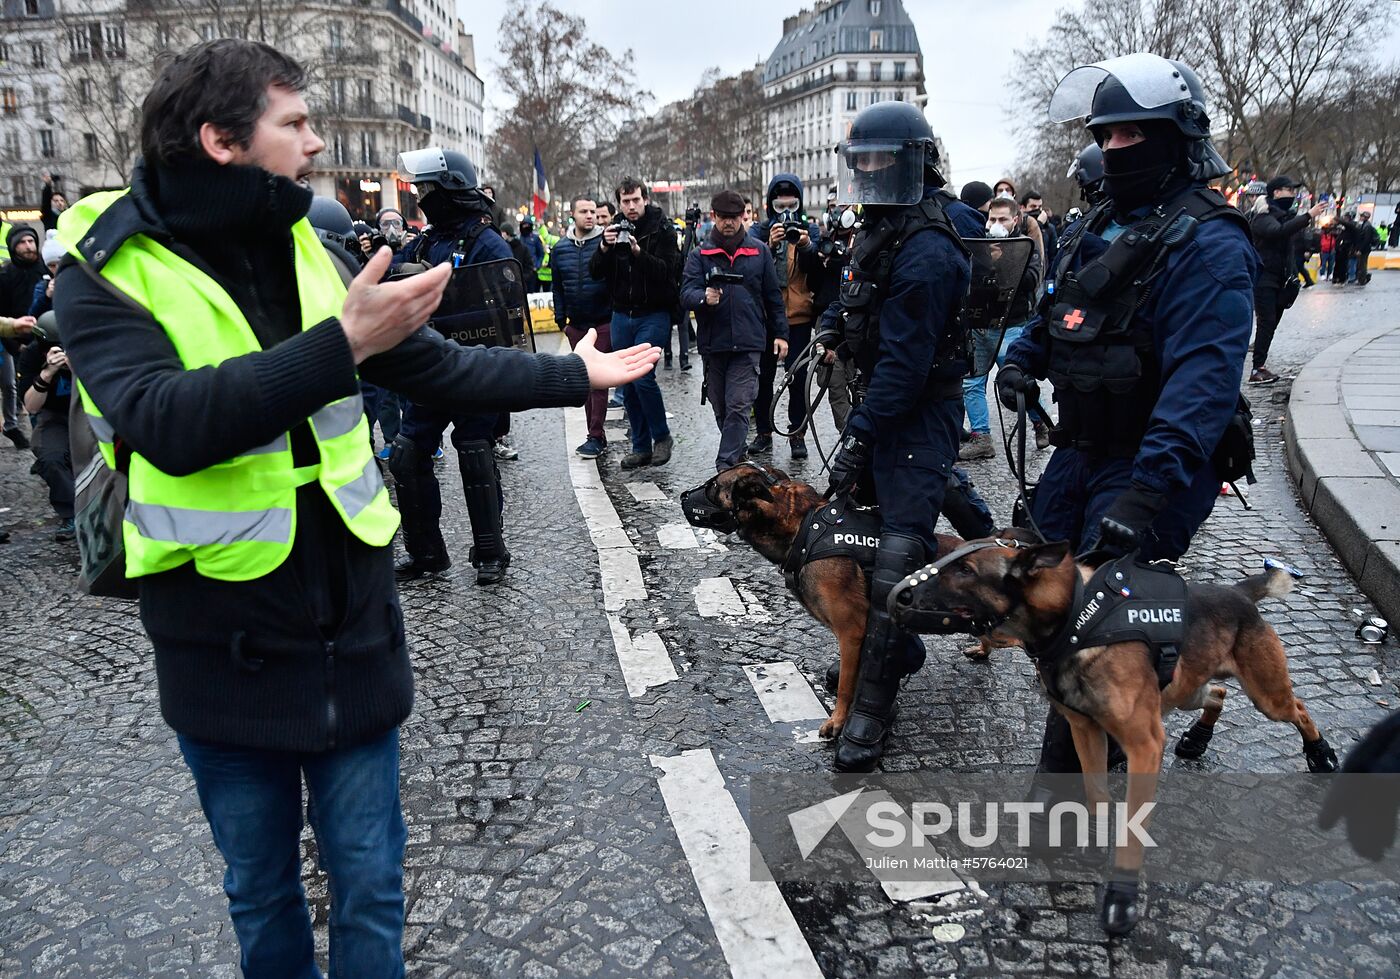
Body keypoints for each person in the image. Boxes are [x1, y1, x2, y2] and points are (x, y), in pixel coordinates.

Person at [53, 39, 657, 979]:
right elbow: (165, 420)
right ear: (220, 139)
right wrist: (340, 345)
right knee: (262, 892)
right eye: (294, 123)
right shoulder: (103, 265)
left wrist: (574, 371)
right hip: (222, 638)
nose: (318, 142)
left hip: (354, 623)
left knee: (373, 882)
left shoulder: (315, 243)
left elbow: (440, 368)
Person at [1000, 55, 1255, 885]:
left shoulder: (1210, 241)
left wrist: (1146, 493)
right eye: (1103, 133)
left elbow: (1203, 382)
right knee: (1037, 595)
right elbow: (1059, 309)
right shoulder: (1099, 220)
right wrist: (1021, 359)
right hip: (1080, 450)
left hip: (1153, 463)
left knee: (1098, 620)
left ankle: (1066, 801)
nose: (1114, 146)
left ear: (1177, 139)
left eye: (1131, 132)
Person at [814, 100, 972, 772]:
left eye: (881, 159)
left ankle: (873, 707)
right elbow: (853, 293)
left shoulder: (931, 246)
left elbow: (908, 366)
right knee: (861, 533)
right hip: (883, 403)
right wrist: (828, 326)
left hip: (917, 413)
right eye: (863, 160)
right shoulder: (879, 227)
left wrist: (859, 435)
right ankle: (897, 649)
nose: (869, 171)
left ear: (912, 162)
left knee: (896, 558)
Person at [387, 145, 522, 586]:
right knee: (407, 454)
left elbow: (506, 311)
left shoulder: (487, 242)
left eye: (428, 188)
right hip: (429, 366)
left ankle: (490, 551)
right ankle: (426, 553)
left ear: (451, 189)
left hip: (475, 366)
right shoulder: (426, 239)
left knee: (475, 450)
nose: (422, 195)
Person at [681, 189, 789, 471]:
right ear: (714, 216)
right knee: (722, 407)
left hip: (749, 341)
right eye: (723, 217)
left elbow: (773, 296)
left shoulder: (759, 251)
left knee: (740, 403)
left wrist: (780, 334)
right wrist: (704, 297)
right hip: (713, 343)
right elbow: (685, 293)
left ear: (743, 217)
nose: (729, 223)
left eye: (734, 217)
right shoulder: (700, 254)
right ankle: (738, 457)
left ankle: (726, 466)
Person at [590, 176, 679, 469]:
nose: (631, 206)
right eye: (625, 201)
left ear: (645, 200)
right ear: (619, 203)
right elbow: (595, 273)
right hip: (621, 314)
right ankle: (640, 446)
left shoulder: (662, 228)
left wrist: (639, 254)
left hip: (653, 312)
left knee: (642, 376)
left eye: (635, 200)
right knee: (626, 382)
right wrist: (603, 247)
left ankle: (662, 437)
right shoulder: (613, 229)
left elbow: (668, 271)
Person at [959, 197, 1046, 461]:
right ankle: (981, 436)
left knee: (1017, 382)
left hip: (1012, 326)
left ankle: (1040, 422)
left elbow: (1031, 280)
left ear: (1015, 220)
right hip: (980, 326)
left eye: (1002, 220)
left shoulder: (1025, 247)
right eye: (992, 219)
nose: (995, 225)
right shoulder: (980, 244)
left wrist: (1004, 261)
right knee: (971, 382)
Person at [748, 173, 821, 460]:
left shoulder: (809, 232)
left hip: (799, 316)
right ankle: (764, 432)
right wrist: (769, 244)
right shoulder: (757, 232)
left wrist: (806, 247)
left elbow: (817, 276)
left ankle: (797, 434)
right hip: (765, 318)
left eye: (792, 202)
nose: (786, 209)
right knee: (762, 377)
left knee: (799, 377)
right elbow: (751, 271)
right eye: (780, 203)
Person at [1246, 175, 1324, 384]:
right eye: (1289, 190)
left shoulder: (1285, 215)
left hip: (1281, 278)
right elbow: (1277, 233)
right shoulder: (1262, 216)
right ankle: (1256, 369)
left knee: (1271, 323)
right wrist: (1308, 215)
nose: (1293, 194)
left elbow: (1291, 243)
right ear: (1276, 193)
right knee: (1267, 321)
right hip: (1264, 277)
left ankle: (1260, 366)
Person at [552, 196, 613, 458]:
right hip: (575, 324)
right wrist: (560, 318)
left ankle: (595, 436)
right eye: (584, 211)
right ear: (572, 214)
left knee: (598, 381)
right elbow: (557, 286)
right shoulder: (560, 248)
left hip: (603, 321)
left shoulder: (605, 245)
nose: (590, 215)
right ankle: (596, 433)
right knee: (585, 381)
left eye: (592, 211)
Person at [16, 313, 74, 539]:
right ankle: (70, 514)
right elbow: (31, 406)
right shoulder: (31, 356)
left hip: (89, 412)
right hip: (55, 415)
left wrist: (78, 367)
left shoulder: (86, 348)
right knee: (50, 457)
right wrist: (47, 373)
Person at [0, 223, 45, 449]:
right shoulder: (5, 275)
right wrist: (15, 347)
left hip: (49, 342)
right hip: (22, 348)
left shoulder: (45, 268)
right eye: (22, 243)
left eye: (31, 241)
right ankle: (40, 445)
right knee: (29, 394)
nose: (28, 247)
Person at [1354, 211, 1380, 285]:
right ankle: (1362, 278)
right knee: (1361, 264)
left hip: (1364, 249)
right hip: (1364, 248)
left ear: (1365, 217)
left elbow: (1366, 240)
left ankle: (1362, 280)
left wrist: (1360, 250)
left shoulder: (1367, 226)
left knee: (1362, 265)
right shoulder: (1364, 225)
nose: (1360, 217)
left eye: (1361, 216)